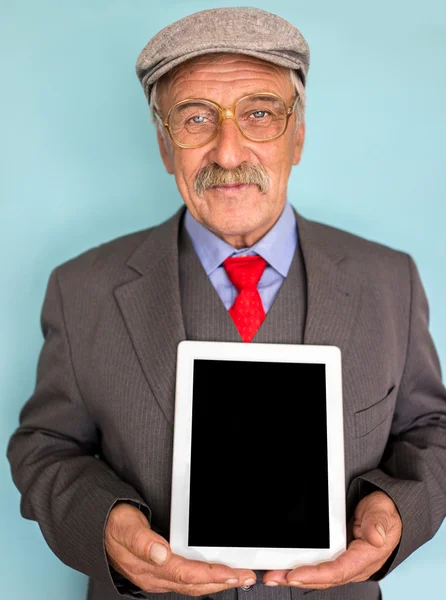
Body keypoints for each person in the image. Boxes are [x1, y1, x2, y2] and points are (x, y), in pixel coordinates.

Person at [6, 6, 446, 600]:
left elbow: (431, 430)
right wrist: (106, 525)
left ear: (299, 135)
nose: (229, 152)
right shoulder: (80, 288)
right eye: (196, 119)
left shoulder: (390, 280)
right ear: (166, 147)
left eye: (260, 114)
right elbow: (46, 448)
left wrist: (395, 514)